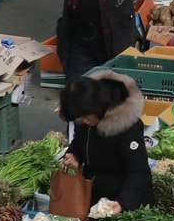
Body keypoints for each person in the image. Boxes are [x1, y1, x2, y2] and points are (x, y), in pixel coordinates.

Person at [61, 71, 153, 213]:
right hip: (92, 195)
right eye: (80, 118)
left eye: (86, 116)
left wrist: (123, 203)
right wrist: (73, 153)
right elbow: (80, 140)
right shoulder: (85, 116)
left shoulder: (126, 126)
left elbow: (139, 171)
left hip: (122, 198)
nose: (85, 121)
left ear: (98, 106)